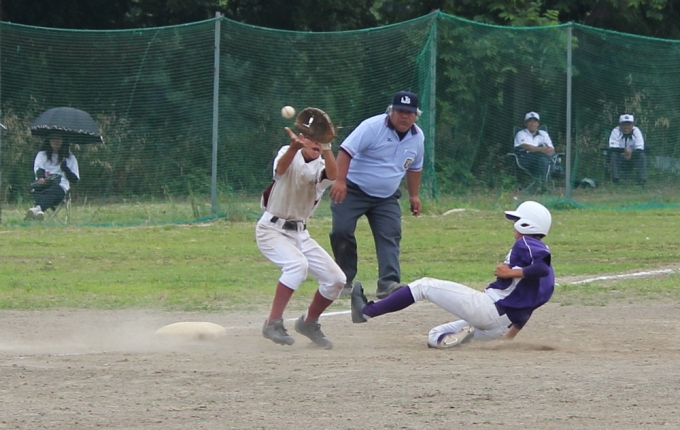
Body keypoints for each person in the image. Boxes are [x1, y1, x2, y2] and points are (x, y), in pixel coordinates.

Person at [350, 200, 554, 348]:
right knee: (435, 336)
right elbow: (530, 306)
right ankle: (467, 336)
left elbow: (540, 268)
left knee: (423, 286)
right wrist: (507, 339)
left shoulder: (528, 243)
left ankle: (367, 311)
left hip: (489, 309)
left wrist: (509, 273)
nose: (513, 225)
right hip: (501, 325)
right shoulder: (547, 275)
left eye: (516, 220)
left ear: (526, 224)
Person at [258, 107, 346, 349]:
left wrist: (326, 148)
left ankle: (308, 322)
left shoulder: (321, 165)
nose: (317, 143)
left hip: (300, 233)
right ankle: (272, 322)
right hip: (271, 230)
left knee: (336, 280)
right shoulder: (287, 153)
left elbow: (333, 175)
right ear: (302, 138)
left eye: (321, 140)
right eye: (312, 138)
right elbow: (280, 170)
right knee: (297, 266)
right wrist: (294, 148)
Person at [329, 91, 425, 300]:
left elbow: (415, 167)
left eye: (409, 113)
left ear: (416, 115)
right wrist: (340, 181)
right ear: (391, 111)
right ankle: (344, 280)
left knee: (390, 234)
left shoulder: (417, 137)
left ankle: (388, 283)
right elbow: (346, 151)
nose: (404, 116)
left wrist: (414, 196)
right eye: (400, 111)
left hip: (386, 196)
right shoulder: (372, 127)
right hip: (353, 189)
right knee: (341, 231)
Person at [25, 131, 79, 221]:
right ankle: (38, 212)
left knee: (52, 192)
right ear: (48, 140)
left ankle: (36, 209)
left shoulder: (70, 158)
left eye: (59, 139)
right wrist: (41, 178)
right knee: (41, 191)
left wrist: (65, 169)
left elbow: (75, 180)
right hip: (42, 186)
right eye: (53, 138)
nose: (55, 141)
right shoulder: (42, 155)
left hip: (60, 188)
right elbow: (39, 170)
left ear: (63, 141)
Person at [513, 112, 556, 184]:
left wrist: (543, 150)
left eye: (534, 121)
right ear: (526, 124)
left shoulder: (543, 134)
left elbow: (551, 149)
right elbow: (526, 147)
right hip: (525, 159)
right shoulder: (521, 134)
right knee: (543, 158)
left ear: (538, 124)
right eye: (530, 121)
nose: (532, 124)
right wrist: (541, 149)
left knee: (543, 160)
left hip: (541, 159)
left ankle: (540, 183)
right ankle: (552, 169)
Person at [608, 114, 646, 185]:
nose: (626, 127)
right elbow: (612, 148)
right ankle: (615, 180)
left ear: (632, 125)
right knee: (613, 155)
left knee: (642, 156)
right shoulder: (615, 131)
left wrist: (630, 153)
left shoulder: (636, 131)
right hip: (620, 156)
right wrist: (624, 150)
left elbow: (640, 148)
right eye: (624, 125)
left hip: (633, 156)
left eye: (629, 125)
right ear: (620, 125)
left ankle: (641, 180)